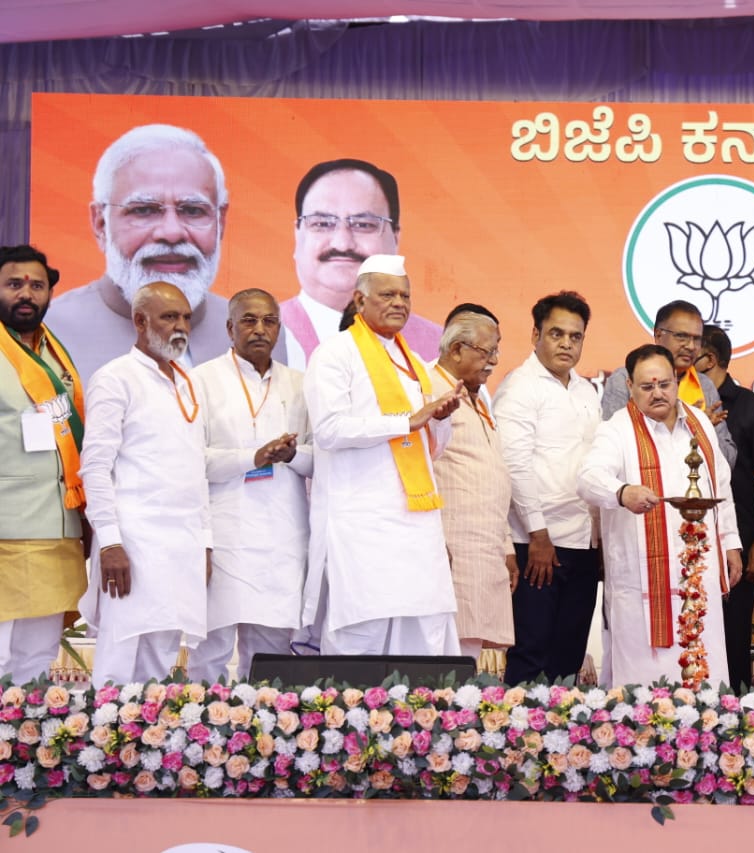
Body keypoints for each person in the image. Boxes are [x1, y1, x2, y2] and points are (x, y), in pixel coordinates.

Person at [302, 254, 465, 656]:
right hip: (362, 520)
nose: (400, 303)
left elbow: (431, 449)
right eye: (388, 294)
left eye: (405, 295)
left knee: (425, 627)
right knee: (364, 629)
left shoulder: (412, 362)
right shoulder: (335, 353)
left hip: (416, 521)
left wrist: (439, 420)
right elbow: (329, 430)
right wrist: (405, 421)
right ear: (360, 300)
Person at [45, 124, 280, 380]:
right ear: (100, 223)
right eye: (144, 210)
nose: (171, 233)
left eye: (192, 210)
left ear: (220, 222)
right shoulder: (47, 334)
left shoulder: (259, 332)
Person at [578, 344, 743, 687]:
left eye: (665, 384)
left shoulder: (700, 423)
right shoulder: (617, 429)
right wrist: (623, 493)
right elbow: (588, 479)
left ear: (676, 381)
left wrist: (731, 543)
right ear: (629, 387)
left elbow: (722, 488)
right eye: (647, 387)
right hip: (640, 581)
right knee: (642, 686)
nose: (658, 394)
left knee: (704, 670)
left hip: (699, 574)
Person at [79, 282, 211, 687]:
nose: (181, 326)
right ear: (140, 321)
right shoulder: (115, 378)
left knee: (162, 657)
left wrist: (205, 541)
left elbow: (197, 468)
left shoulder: (187, 381)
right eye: (169, 316)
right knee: (120, 658)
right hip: (134, 543)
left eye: (186, 317)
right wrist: (111, 542)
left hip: (181, 544)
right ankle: (104, 747)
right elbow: (95, 467)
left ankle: (145, 747)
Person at [187, 289, 312, 682]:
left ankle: (262, 739)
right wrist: (252, 458)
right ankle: (199, 737)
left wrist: (291, 456)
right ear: (229, 328)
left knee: (270, 660)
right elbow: (192, 462)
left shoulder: (300, 384)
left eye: (269, 321)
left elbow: (322, 460)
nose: (260, 329)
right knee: (210, 653)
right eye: (248, 320)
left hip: (282, 538)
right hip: (222, 536)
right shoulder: (200, 380)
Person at [493, 291, 601, 684]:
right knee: (530, 655)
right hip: (538, 545)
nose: (566, 344)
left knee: (568, 658)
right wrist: (538, 535)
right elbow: (515, 467)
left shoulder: (586, 391)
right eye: (557, 334)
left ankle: (562, 741)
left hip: (583, 543)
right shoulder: (519, 388)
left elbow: (595, 468)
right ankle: (519, 741)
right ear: (536, 334)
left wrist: (601, 539)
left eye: (575, 336)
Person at [0, 245, 88, 683]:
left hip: (57, 525)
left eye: (36, 285)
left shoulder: (53, 351)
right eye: (14, 284)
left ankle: (18, 749)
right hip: (7, 527)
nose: (26, 294)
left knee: (36, 661)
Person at [281, 159, 443, 367]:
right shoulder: (250, 337)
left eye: (363, 225)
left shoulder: (443, 349)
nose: (342, 242)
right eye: (321, 224)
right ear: (298, 234)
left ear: (396, 237)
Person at [426, 309, 516, 664]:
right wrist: (430, 540)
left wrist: (506, 545)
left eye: (496, 351)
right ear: (457, 349)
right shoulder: (430, 390)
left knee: (468, 654)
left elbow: (491, 474)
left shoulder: (477, 396)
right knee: (442, 655)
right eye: (486, 351)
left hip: (483, 548)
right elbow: (421, 471)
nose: (494, 361)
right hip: (449, 547)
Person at [698, 324, 754, 692]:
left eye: (691, 349)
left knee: (732, 638)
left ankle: (735, 721)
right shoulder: (678, 406)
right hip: (687, 539)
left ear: (710, 358)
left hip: (738, 541)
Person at [600, 300, 736, 468]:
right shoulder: (625, 378)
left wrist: (705, 431)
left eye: (697, 339)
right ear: (658, 335)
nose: (691, 346)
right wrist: (688, 426)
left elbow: (728, 460)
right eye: (682, 336)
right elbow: (610, 447)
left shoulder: (705, 386)